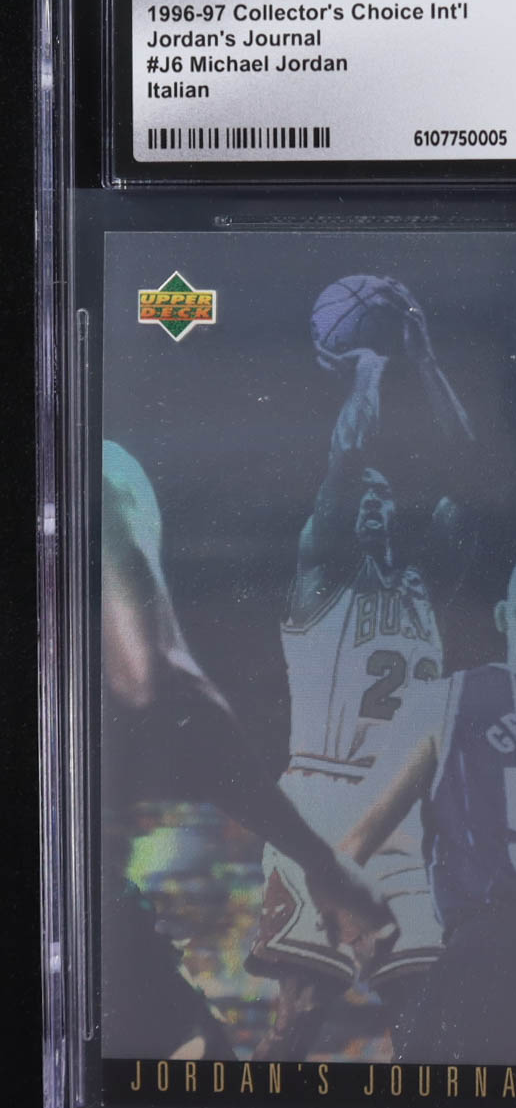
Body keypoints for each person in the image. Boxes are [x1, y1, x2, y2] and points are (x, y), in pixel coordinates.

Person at [101, 440, 392, 1059]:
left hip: (87, 897)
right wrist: (320, 861)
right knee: (189, 1066)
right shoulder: (101, 475)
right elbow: (148, 676)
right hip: (80, 899)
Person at [247, 283, 475, 1058]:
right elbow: (346, 458)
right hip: (321, 797)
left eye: (385, 496)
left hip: (402, 815)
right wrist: (371, 365)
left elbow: (469, 472)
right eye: (361, 499)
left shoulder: (421, 586)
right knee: (300, 1011)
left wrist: (427, 361)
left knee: (426, 1011)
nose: (374, 501)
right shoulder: (321, 572)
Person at [337, 547, 516, 1064]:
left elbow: (354, 843)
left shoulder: (445, 700)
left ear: (501, 616)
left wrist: (361, 925)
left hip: (485, 959)